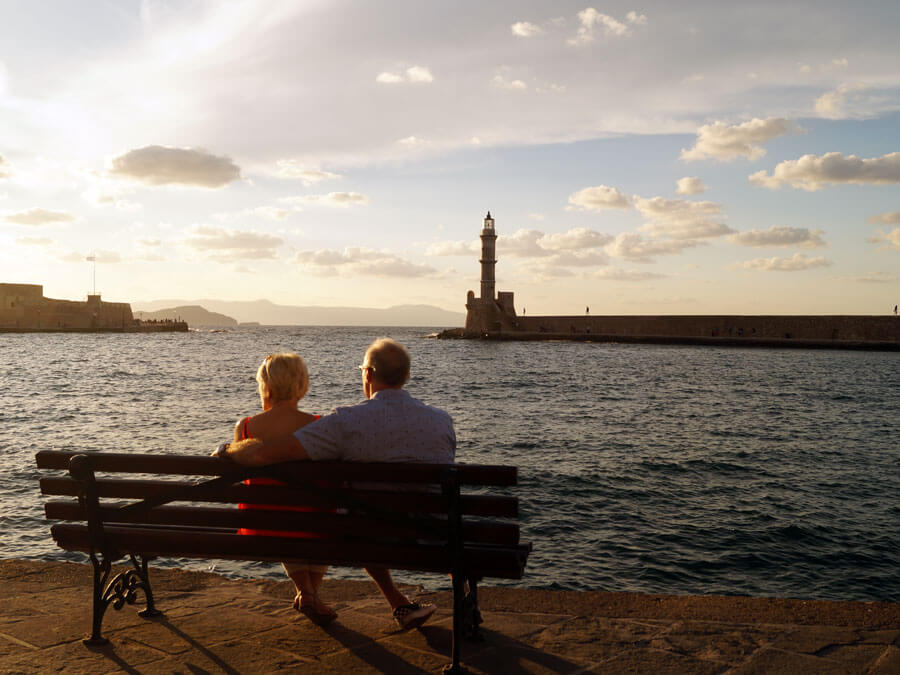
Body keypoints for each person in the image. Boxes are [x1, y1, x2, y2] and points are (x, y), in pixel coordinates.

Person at [215, 338, 456, 630]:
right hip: (437, 532)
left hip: (370, 534)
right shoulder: (442, 420)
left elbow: (267, 453)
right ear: (406, 375)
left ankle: (358, 597)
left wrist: (228, 450)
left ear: (368, 374)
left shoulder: (346, 421)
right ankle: (464, 600)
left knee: (352, 517)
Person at [232, 353, 337, 625]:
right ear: (301, 384)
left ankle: (306, 593)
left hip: (263, 525)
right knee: (320, 513)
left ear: (265, 385)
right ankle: (310, 593)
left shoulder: (246, 427)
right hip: (314, 525)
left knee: (280, 513)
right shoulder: (318, 426)